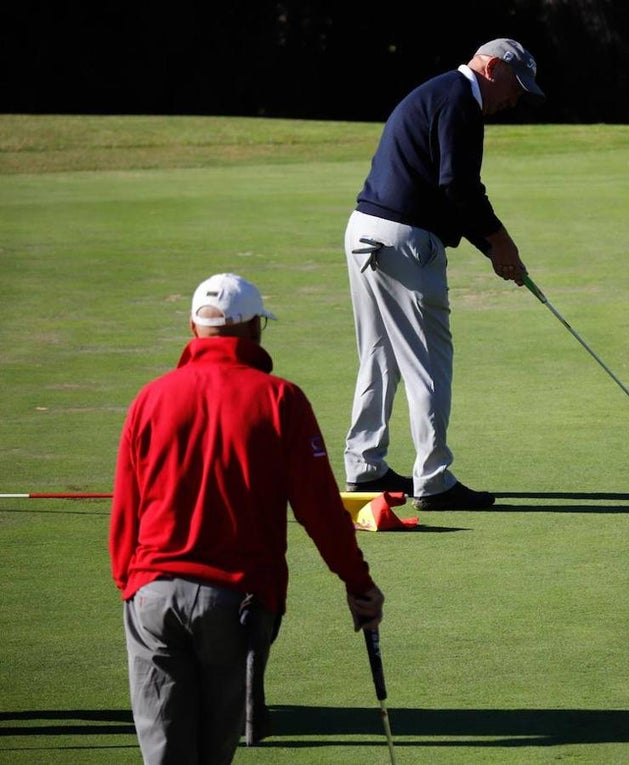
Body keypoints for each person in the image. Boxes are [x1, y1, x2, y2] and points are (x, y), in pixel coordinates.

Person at [110, 273, 384, 764]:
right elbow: (320, 509)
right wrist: (357, 582)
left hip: (152, 594)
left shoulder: (150, 398)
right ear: (255, 328)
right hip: (235, 600)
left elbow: (126, 509)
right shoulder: (280, 400)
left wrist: (130, 586)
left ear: (193, 329)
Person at [343, 38, 546, 510]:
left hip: (365, 229)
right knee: (429, 360)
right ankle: (433, 479)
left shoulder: (440, 93)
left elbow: (449, 190)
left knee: (379, 353)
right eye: (516, 87)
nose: (515, 99)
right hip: (405, 240)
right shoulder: (461, 102)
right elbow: (459, 186)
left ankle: (365, 466)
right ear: (491, 68)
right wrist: (499, 241)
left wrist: (492, 247)